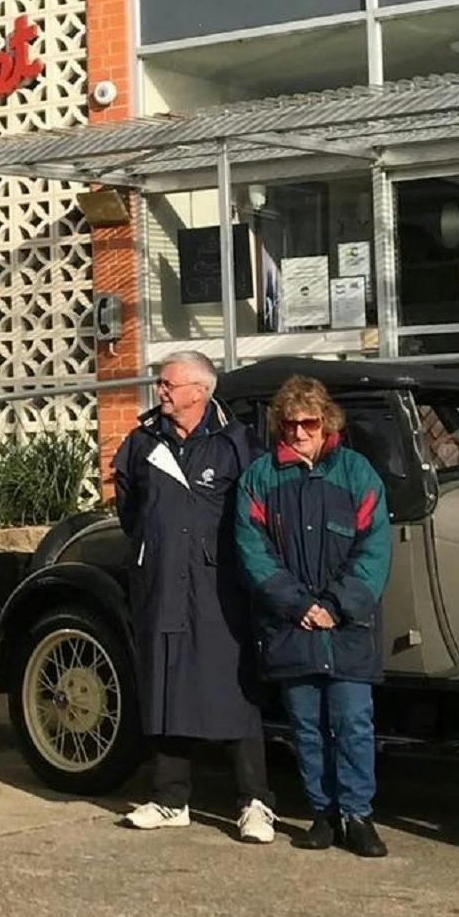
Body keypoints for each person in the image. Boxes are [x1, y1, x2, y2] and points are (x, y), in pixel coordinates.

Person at [111, 350, 276, 842]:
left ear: (200, 391)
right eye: (160, 383)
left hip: (218, 587)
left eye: (168, 384)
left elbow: (258, 508)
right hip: (161, 583)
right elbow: (128, 504)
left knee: (234, 690)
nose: (160, 391)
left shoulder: (236, 442)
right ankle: (169, 798)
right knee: (165, 684)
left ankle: (254, 803)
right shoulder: (142, 441)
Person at [235, 374, 392, 858]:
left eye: (309, 422)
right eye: (290, 424)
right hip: (293, 628)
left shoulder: (358, 473)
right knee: (306, 727)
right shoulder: (260, 477)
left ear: (327, 423)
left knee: (352, 722)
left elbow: (374, 550)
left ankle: (357, 815)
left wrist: (337, 605)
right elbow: (252, 550)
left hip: (347, 629)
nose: (300, 431)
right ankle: (322, 814)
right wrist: (298, 606)